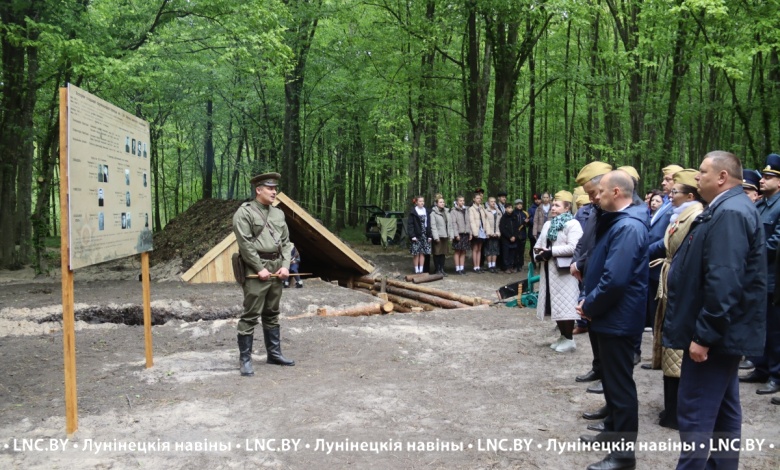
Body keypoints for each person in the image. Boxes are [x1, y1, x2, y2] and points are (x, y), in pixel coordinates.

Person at [663, 151, 766, 469]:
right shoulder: (726, 208)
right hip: (724, 334)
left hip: (716, 336)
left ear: (722, 177)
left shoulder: (731, 212)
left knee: (695, 412)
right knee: (724, 410)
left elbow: (724, 281)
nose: (697, 177)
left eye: (703, 172)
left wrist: (704, 336)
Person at [576, 170, 648, 470]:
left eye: (601, 192)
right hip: (610, 316)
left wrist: (589, 305)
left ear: (616, 192)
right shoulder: (618, 221)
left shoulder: (628, 227)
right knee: (612, 382)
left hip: (618, 319)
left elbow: (615, 279)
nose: (597, 197)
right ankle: (611, 434)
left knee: (620, 389)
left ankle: (623, 456)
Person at [646, 169, 704, 430]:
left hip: (680, 287)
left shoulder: (696, 217)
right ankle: (671, 408)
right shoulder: (681, 214)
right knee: (668, 343)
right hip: (671, 283)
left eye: (674, 191)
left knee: (677, 349)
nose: (669, 194)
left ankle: (677, 412)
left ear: (690, 195)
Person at [232, 171, 295, 376]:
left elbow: (286, 242)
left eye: (275, 188)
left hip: (277, 266)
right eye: (269, 188)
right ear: (258, 190)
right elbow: (245, 245)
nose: (274, 192)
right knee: (251, 314)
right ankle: (245, 360)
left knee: (272, 312)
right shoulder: (244, 213)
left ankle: (274, 354)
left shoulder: (278, 214)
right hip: (255, 266)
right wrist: (259, 268)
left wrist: (285, 266)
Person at [740, 153, 780, 396]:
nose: (762, 180)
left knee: (775, 329)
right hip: (758, 276)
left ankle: (776, 375)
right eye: (763, 176)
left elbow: (775, 243)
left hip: (774, 278)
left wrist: (750, 254)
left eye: (768, 177)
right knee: (760, 324)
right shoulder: (762, 204)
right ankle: (762, 367)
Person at [570, 161, 612, 394]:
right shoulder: (597, 209)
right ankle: (598, 367)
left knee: (607, 334)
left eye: (593, 193)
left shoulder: (617, 212)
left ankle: (607, 376)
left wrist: (583, 263)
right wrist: (579, 262)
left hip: (602, 277)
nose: (591, 198)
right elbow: (588, 241)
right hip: (589, 271)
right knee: (594, 327)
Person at [534, 190, 583, 352]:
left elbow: (575, 247)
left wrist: (552, 252)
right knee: (555, 304)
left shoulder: (573, 224)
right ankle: (563, 336)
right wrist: (538, 254)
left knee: (566, 305)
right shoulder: (548, 224)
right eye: (553, 205)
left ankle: (569, 339)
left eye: (557, 205)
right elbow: (539, 244)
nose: (553, 208)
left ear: (567, 207)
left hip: (564, 272)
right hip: (549, 271)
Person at [430, 195, 455, 276]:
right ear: (436, 203)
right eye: (440, 202)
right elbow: (433, 226)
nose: (442, 203)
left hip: (445, 236)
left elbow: (450, 225)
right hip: (438, 236)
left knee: (443, 253)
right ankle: (437, 269)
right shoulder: (433, 213)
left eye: (443, 202)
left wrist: (451, 235)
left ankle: (442, 269)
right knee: (437, 253)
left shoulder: (447, 212)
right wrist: (436, 237)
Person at [407, 196, 433, 274]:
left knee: (423, 252)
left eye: (423, 201)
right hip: (416, 234)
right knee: (416, 253)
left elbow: (429, 224)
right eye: (420, 201)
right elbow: (410, 225)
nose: (422, 203)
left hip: (425, 234)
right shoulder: (413, 212)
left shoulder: (427, 211)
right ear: (416, 202)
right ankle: (416, 269)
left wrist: (430, 235)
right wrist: (412, 236)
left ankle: (421, 269)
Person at [450, 195, 471, 275]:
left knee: (463, 251)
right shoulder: (453, 211)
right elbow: (453, 223)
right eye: (460, 201)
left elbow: (469, 222)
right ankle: (457, 268)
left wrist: (470, 233)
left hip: (465, 233)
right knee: (457, 251)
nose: (462, 202)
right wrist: (456, 234)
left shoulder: (466, 210)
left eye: (463, 200)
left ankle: (462, 268)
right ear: (457, 202)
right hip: (458, 234)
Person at [468, 192, 488, 273]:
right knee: (475, 249)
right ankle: (475, 266)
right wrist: (475, 233)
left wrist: (486, 230)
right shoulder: (471, 209)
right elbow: (472, 221)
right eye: (477, 198)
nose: (479, 199)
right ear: (474, 199)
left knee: (480, 249)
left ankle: (478, 266)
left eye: (480, 198)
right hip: (476, 231)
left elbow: (485, 219)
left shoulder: (482, 208)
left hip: (482, 230)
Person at [499, 203, 518, 273]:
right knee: (506, 254)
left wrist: (515, 236)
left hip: (514, 238)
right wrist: (509, 236)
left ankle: (511, 266)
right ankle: (506, 267)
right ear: (506, 209)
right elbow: (502, 229)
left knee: (512, 253)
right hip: (506, 239)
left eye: (511, 207)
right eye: (509, 208)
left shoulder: (514, 216)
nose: (510, 209)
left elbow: (517, 227)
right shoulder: (503, 218)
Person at [485, 197, 501, 273]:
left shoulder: (498, 212)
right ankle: (489, 265)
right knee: (489, 250)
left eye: (494, 201)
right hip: (489, 234)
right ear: (488, 202)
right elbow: (485, 223)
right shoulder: (486, 211)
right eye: (491, 201)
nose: (493, 203)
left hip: (496, 233)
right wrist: (489, 233)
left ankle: (493, 265)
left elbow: (500, 223)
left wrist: (498, 233)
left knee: (495, 250)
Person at [512, 199, 529, 271]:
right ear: (515, 205)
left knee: (521, 251)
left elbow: (528, 225)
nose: (519, 205)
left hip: (523, 234)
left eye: (520, 204)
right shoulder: (513, 213)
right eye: (518, 204)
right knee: (515, 251)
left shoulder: (525, 213)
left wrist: (527, 222)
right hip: (515, 234)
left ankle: (520, 265)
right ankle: (515, 265)